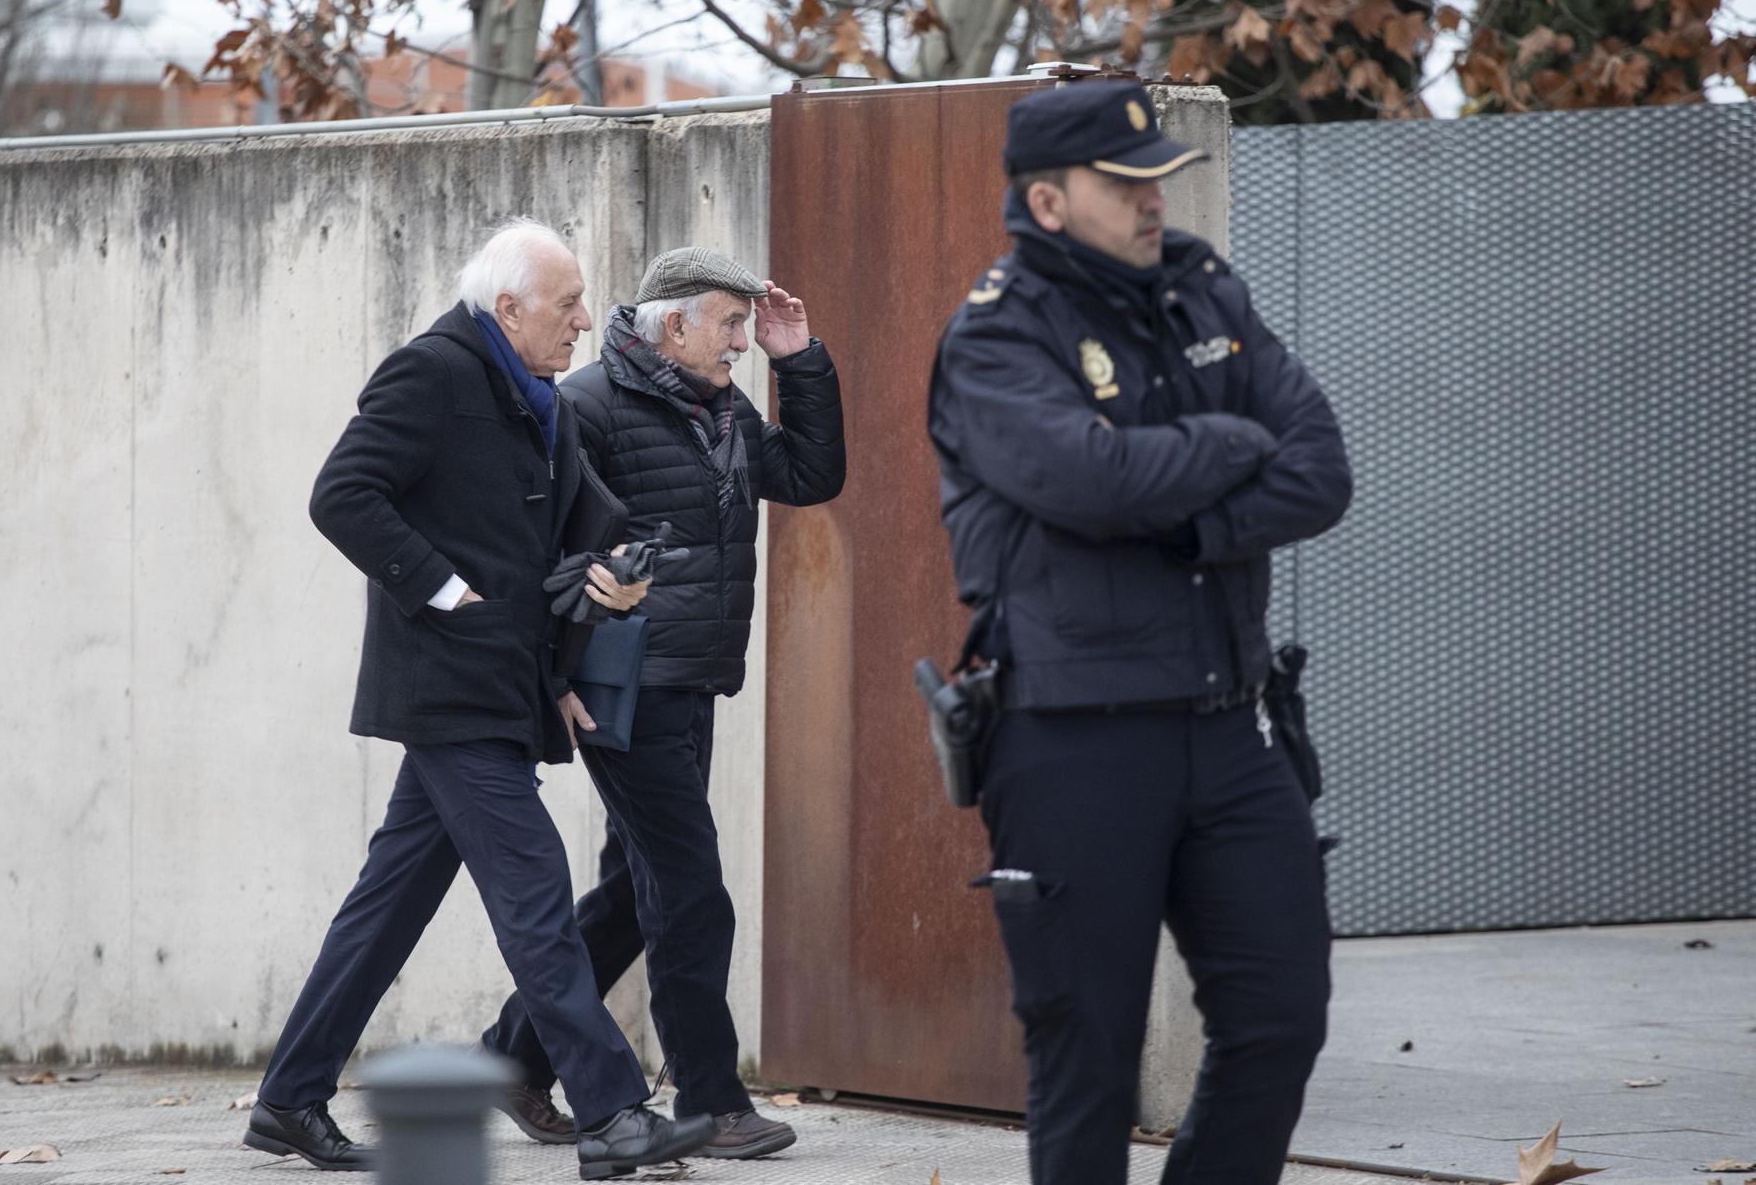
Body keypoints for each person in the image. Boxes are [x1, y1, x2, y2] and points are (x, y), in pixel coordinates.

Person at [927, 80, 1353, 1185]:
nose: (1151, 198)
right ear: (1049, 202)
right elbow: (1086, 479)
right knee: (1088, 1063)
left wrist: (1176, 522)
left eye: (1156, 176)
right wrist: (1226, 440)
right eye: (1122, 184)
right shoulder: (993, 334)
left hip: (1227, 727)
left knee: (1280, 1016)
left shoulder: (1204, 293)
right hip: (1071, 740)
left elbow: (1317, 470)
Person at [246, 219, 716, 1180]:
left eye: (583, 301)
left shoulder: (535, 397)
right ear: (508, 309)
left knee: (387, 905)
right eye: (568, 303)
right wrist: (443, 588)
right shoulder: (434, 372)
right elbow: (342, 493)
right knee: (537, 893)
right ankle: (614, 1111)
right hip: (447, 686)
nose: (586, 319)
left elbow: (568, 542)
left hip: (506, 685)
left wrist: (601, 597)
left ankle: (289, 1097)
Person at [481, 247, 846, 1159]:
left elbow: (809, 474)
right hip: (618, 687)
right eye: (730, 324)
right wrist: (555, 677)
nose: (740, 343)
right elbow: (542, 556)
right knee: (690, 889)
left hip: (692, 678)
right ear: (673, 324)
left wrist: (799, 359)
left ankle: (513, 1054)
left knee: (633, 891)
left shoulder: (720, 406)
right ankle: (711, 1099)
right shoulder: (589, 406)